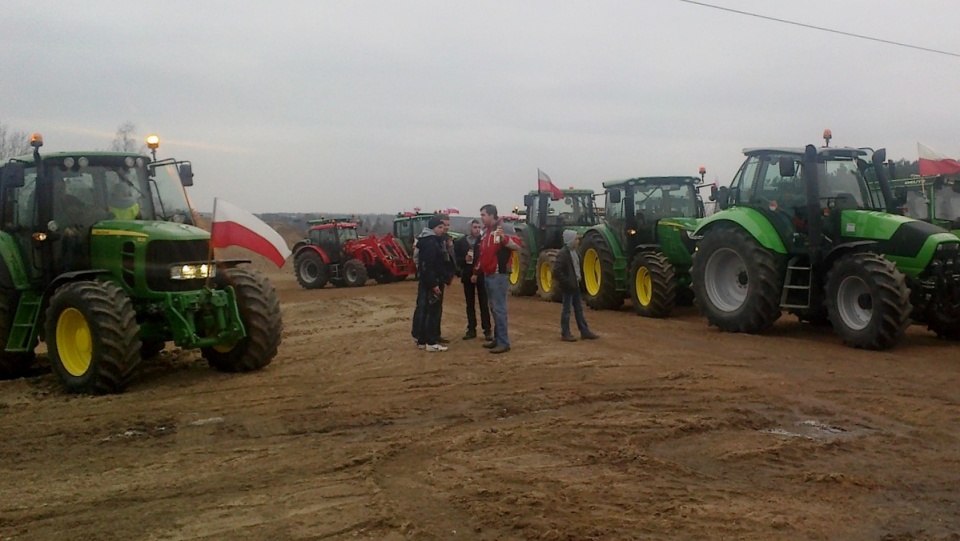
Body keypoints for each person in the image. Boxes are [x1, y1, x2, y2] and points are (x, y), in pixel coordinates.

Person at [473, 204, 520, 354]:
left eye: (483, 215)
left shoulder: (503, 228)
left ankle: (503, 341)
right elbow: (483, 254)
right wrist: (477, 270)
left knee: (499, 309)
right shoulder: (486, 232)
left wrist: (504, 239)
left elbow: (517, 246)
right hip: (488, 274)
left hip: (499, 274)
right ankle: (497, 338)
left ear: (492, 215)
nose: (482, 217)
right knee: (493, 308)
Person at [552, 230, 599, 342]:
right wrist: (567, 283)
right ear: (571, 240)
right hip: (569, 287)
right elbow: (556, 271)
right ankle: (565, 333)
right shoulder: (563, 253)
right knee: (567, 310)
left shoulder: (575, 252)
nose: (578, 241)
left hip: (576, 285)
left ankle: (584, 331)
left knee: (579, 309)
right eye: (576, 239)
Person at [415, 216, 449, 352]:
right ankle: (431, 342)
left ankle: (422, 340)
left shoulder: (426, 240)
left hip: (428, 281)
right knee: (432, 312)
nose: (442, 230)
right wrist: (434, 284)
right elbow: (428, 265)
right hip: (432, 281)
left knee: (425, 311)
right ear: (432, 228)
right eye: (439, 227)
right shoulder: (431, 242)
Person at [454, 219, 491, 341]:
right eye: (475, 227)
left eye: (478, 227)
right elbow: (457, 261)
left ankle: (487, 330)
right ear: (469, 228)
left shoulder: (483, 241)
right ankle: (471, 329)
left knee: (483, 303)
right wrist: (464, 260)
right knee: (470, 304)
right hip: (467, 274)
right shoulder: (460, 243)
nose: (477, 229)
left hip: (481, 274)